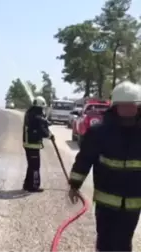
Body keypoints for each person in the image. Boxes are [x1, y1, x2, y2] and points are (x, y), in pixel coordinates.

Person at [68, 81, 141, 252]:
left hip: (133, 203)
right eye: (124, 106)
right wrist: (74, 184)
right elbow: (84, 160)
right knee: (105, 242)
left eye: (132, 106)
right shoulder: (99, 132)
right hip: (106, 202)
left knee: (124, 242)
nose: (128, 110)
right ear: (115, 107)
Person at [22, 96, 54, 192]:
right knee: (35, 166)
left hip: (28, 143)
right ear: (40, 106)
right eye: (43, 108)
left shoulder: (31, 113)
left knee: (31, 165)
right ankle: (34, 186)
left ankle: (27, 184)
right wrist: (50, 136)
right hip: (32, 144)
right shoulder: (36, 116)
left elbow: (40, 124)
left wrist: (45, 123)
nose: (43, 110)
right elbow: (42, 130)